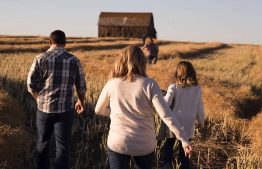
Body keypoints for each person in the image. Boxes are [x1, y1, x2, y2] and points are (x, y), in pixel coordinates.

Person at [95, 46, 192, 169]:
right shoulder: (150, 84)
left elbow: (98, 110)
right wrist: (183, 139)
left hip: (118, 142)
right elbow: (166, 115)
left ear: (121, 60)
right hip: (144, 145)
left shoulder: (112, 83)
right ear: (142, 61)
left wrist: (116, 112)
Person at [27, 30, 86, 169]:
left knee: (42, 143)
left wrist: (38, 99)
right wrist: (80, 101)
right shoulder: (74, 60)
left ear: (49, 42)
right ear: (65, 43)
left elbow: (30, 85)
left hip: (44, 109)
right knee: (63, 146)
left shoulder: (40, 58)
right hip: (65, 110)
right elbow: (81, 86)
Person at [160, 61, 204, 169]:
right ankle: (184, 166)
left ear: (178, 73)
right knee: (185, 150)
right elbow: (200, 108)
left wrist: (162, 96)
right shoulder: (197, 89)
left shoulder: (173, 87)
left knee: (169, 145)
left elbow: (165, 104)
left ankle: (167, 165)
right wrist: (200, 121)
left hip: (174, 123)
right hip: (189, 124)